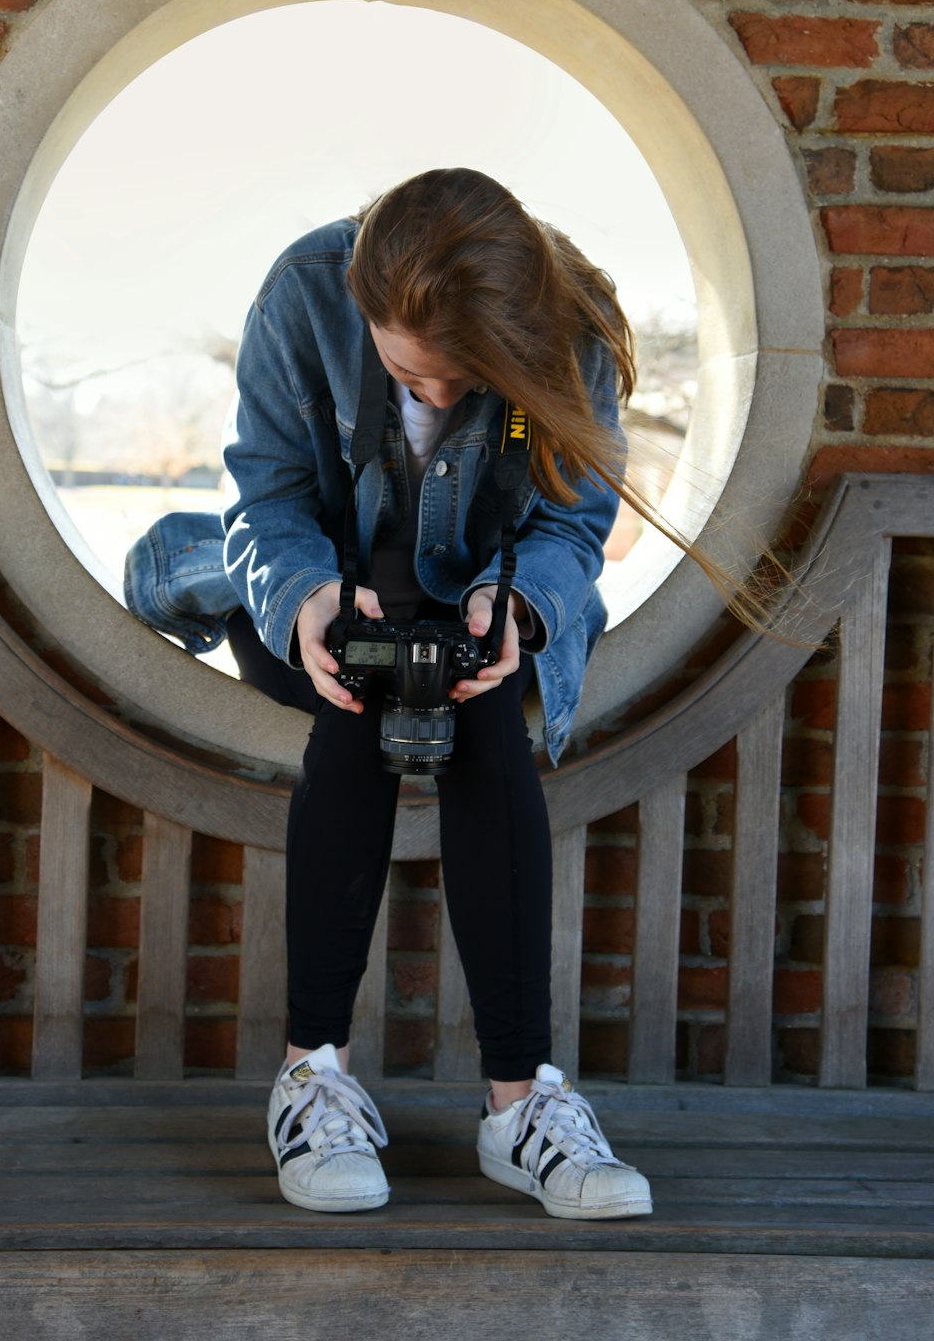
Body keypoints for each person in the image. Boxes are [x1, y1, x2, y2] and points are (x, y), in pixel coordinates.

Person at [219, 166, 652, 1220]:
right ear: (364, 308)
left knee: (484, 709)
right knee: (356, 698)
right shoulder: (301, 293)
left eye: (468, 379)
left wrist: (526, 613)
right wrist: (313, 599)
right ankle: (313, 1072)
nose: (441, 398)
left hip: (478, 607)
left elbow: (571, 525)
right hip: (315, 586)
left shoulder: (569, 324)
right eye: (415, 377)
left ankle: (521, 1107)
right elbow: (267, 496)